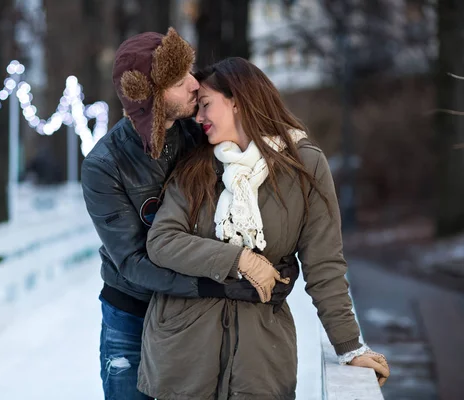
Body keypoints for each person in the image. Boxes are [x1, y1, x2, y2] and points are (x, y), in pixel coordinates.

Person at [138, 57, 390, 399]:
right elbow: (163, 241)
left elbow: (324, 264)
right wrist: (239, 260)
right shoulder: (195, 167)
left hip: (260, 357)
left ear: (238, 101)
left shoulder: (304, 167)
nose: (198, 118)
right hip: (184, 352)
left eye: (206, 105)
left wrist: (349, 345)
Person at [81, 30, 300, 400]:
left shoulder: (199, 132)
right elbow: (134, 262)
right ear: (150, 96)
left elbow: (246, 190)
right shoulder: (104, 166)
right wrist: (224, 282)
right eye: (179, 81)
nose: (195, 85)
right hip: (132, 313)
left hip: (194, 320)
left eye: (191, 73)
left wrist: (279, 260)